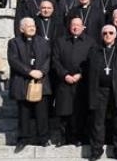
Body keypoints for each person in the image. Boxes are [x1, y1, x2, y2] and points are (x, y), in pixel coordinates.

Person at [87, 25, 117, 161]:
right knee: (98, 122)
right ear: (101, 35)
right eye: (105, 33)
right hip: (99, 90)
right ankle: (96, 150)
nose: (108, 35)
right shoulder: (95, 51)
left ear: (115, 35)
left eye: (111, 33)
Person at [7, 17, 52, 148]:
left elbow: (48, 59)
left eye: (33, 25)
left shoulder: (43, 42)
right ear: (21, 28)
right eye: (28, 26)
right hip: (22, 81)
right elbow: (13, 60)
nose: (32, 27)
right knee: (24, 112)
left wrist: (42, 72)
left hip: (41, 80)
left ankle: (43, 138)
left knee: (42, 112)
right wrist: (29, 72)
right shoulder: (14, 43)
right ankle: (23, 139)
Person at [52, 16, 94, 146]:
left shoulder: (90, 42)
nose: (75, 27)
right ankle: (63, 138)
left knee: (79, 111)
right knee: (63, 111)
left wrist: (80, 75)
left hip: (81, 83)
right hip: (64, 82)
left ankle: (77, 137)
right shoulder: (60, 41)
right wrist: (65, 75)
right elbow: (55, 60)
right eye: (73, 25)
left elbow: (92, 62)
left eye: (78, 25)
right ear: (69, 27)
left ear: (83, 27)